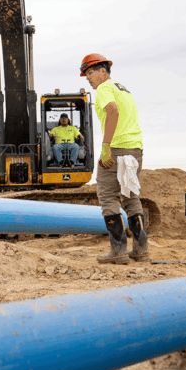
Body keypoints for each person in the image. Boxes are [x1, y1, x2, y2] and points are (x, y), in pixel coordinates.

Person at [80, 53, 149, 264]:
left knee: (107, 196)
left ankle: (118, 250)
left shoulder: (104, 88)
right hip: (135, 149)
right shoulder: (123, 89)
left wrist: (106, 147)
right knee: (130, 197)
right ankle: (141, 250)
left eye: (91, 73)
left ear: (103, 71)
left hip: (116, 148)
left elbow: (112, 112)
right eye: (86, 75)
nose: (88, 78)